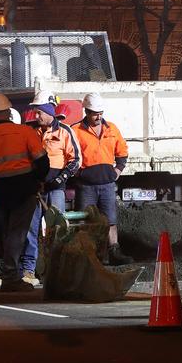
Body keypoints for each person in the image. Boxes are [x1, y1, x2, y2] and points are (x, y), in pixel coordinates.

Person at [0, 93, 49, 292]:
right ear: (8, 112)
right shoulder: (24, 132)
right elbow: (43, 162)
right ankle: (11, 277)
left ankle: (11, 274)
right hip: (24, 189)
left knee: (7, 233)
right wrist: (39, 182)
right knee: (17, 233)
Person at [72, 92, 134, 265]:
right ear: (87, 111)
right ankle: (87, 256)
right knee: (85, 222)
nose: (98, 116)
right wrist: (78, 174)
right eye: (94, 113)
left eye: (100, 113)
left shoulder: (111, 128)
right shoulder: (76, 131)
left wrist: (117, 171)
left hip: (107, 184)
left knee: (110, 220)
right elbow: (69, 155)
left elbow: (122, 152)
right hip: (86, 186)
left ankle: (114, 252)